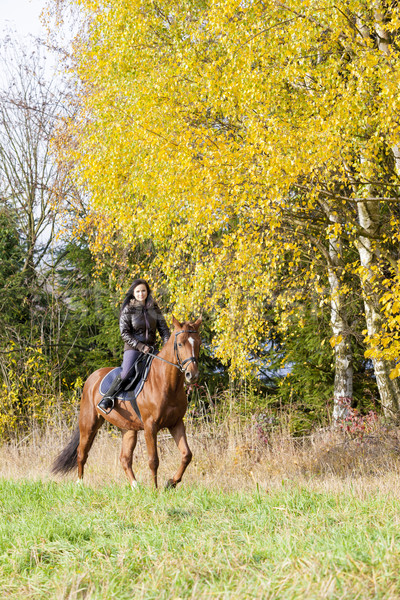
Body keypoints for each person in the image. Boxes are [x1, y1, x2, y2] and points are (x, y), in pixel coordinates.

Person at [97, 279, 170, 414]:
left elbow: (164, 330)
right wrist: (141, 346)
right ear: (133, 293)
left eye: (143, 291)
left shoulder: (154, 308)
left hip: (152, 349)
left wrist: (167, 347)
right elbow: (124, 333)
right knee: (126, 374)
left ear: (147, 292)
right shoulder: (128, 309)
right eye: (138, 291)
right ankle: (107, 398)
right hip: (134, 349)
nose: (141, 294)